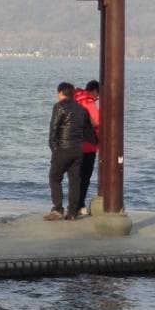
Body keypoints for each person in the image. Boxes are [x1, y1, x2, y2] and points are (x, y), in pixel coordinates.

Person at [45, 81, 87, 220]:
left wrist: (54, 148)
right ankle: (73, 212)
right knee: (74, 181)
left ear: (61, 93)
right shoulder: (82, 109)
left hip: (63, 148)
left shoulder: (59, 107)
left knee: (54, 178)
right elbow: (85, 130)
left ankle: (58, 209)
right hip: (78, 149)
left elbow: (54, 129)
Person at [73, 79, 100, 217]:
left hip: (72, 144)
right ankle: (80, 205)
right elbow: (97, 123)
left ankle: (73, 205)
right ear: (95, 91)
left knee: (75, 177)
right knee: (85, 177)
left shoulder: (75, 100)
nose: (97, 99)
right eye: (98, 96)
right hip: (88, 146)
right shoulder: (89, 103)